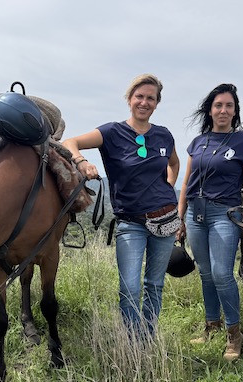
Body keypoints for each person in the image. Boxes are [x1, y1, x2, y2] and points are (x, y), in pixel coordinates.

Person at [63, 74, 181, 339]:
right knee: (129, 288)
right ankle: (132, 342)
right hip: (131, 223)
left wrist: (168, 190)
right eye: (139, 96)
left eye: (150, 98)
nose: (144, 102)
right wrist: (82, 162)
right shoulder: (112, 132)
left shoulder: (164, 135)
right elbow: (69, 143)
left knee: (155, 285)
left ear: (156, 103)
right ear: (129, 99)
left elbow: (174, 164)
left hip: (166, 220)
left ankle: (146, 340)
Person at [177, 83, 243, 361]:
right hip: (195, 213)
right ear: (210, 110)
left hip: (225, 213)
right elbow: (186, 183)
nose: (223, 110)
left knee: (221, 273)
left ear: (235, 111)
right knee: (204, 272)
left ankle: (233, 335)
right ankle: (211, 326)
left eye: (229, 106)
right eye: (218, 105)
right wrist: (180, 217)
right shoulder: (198, 143)